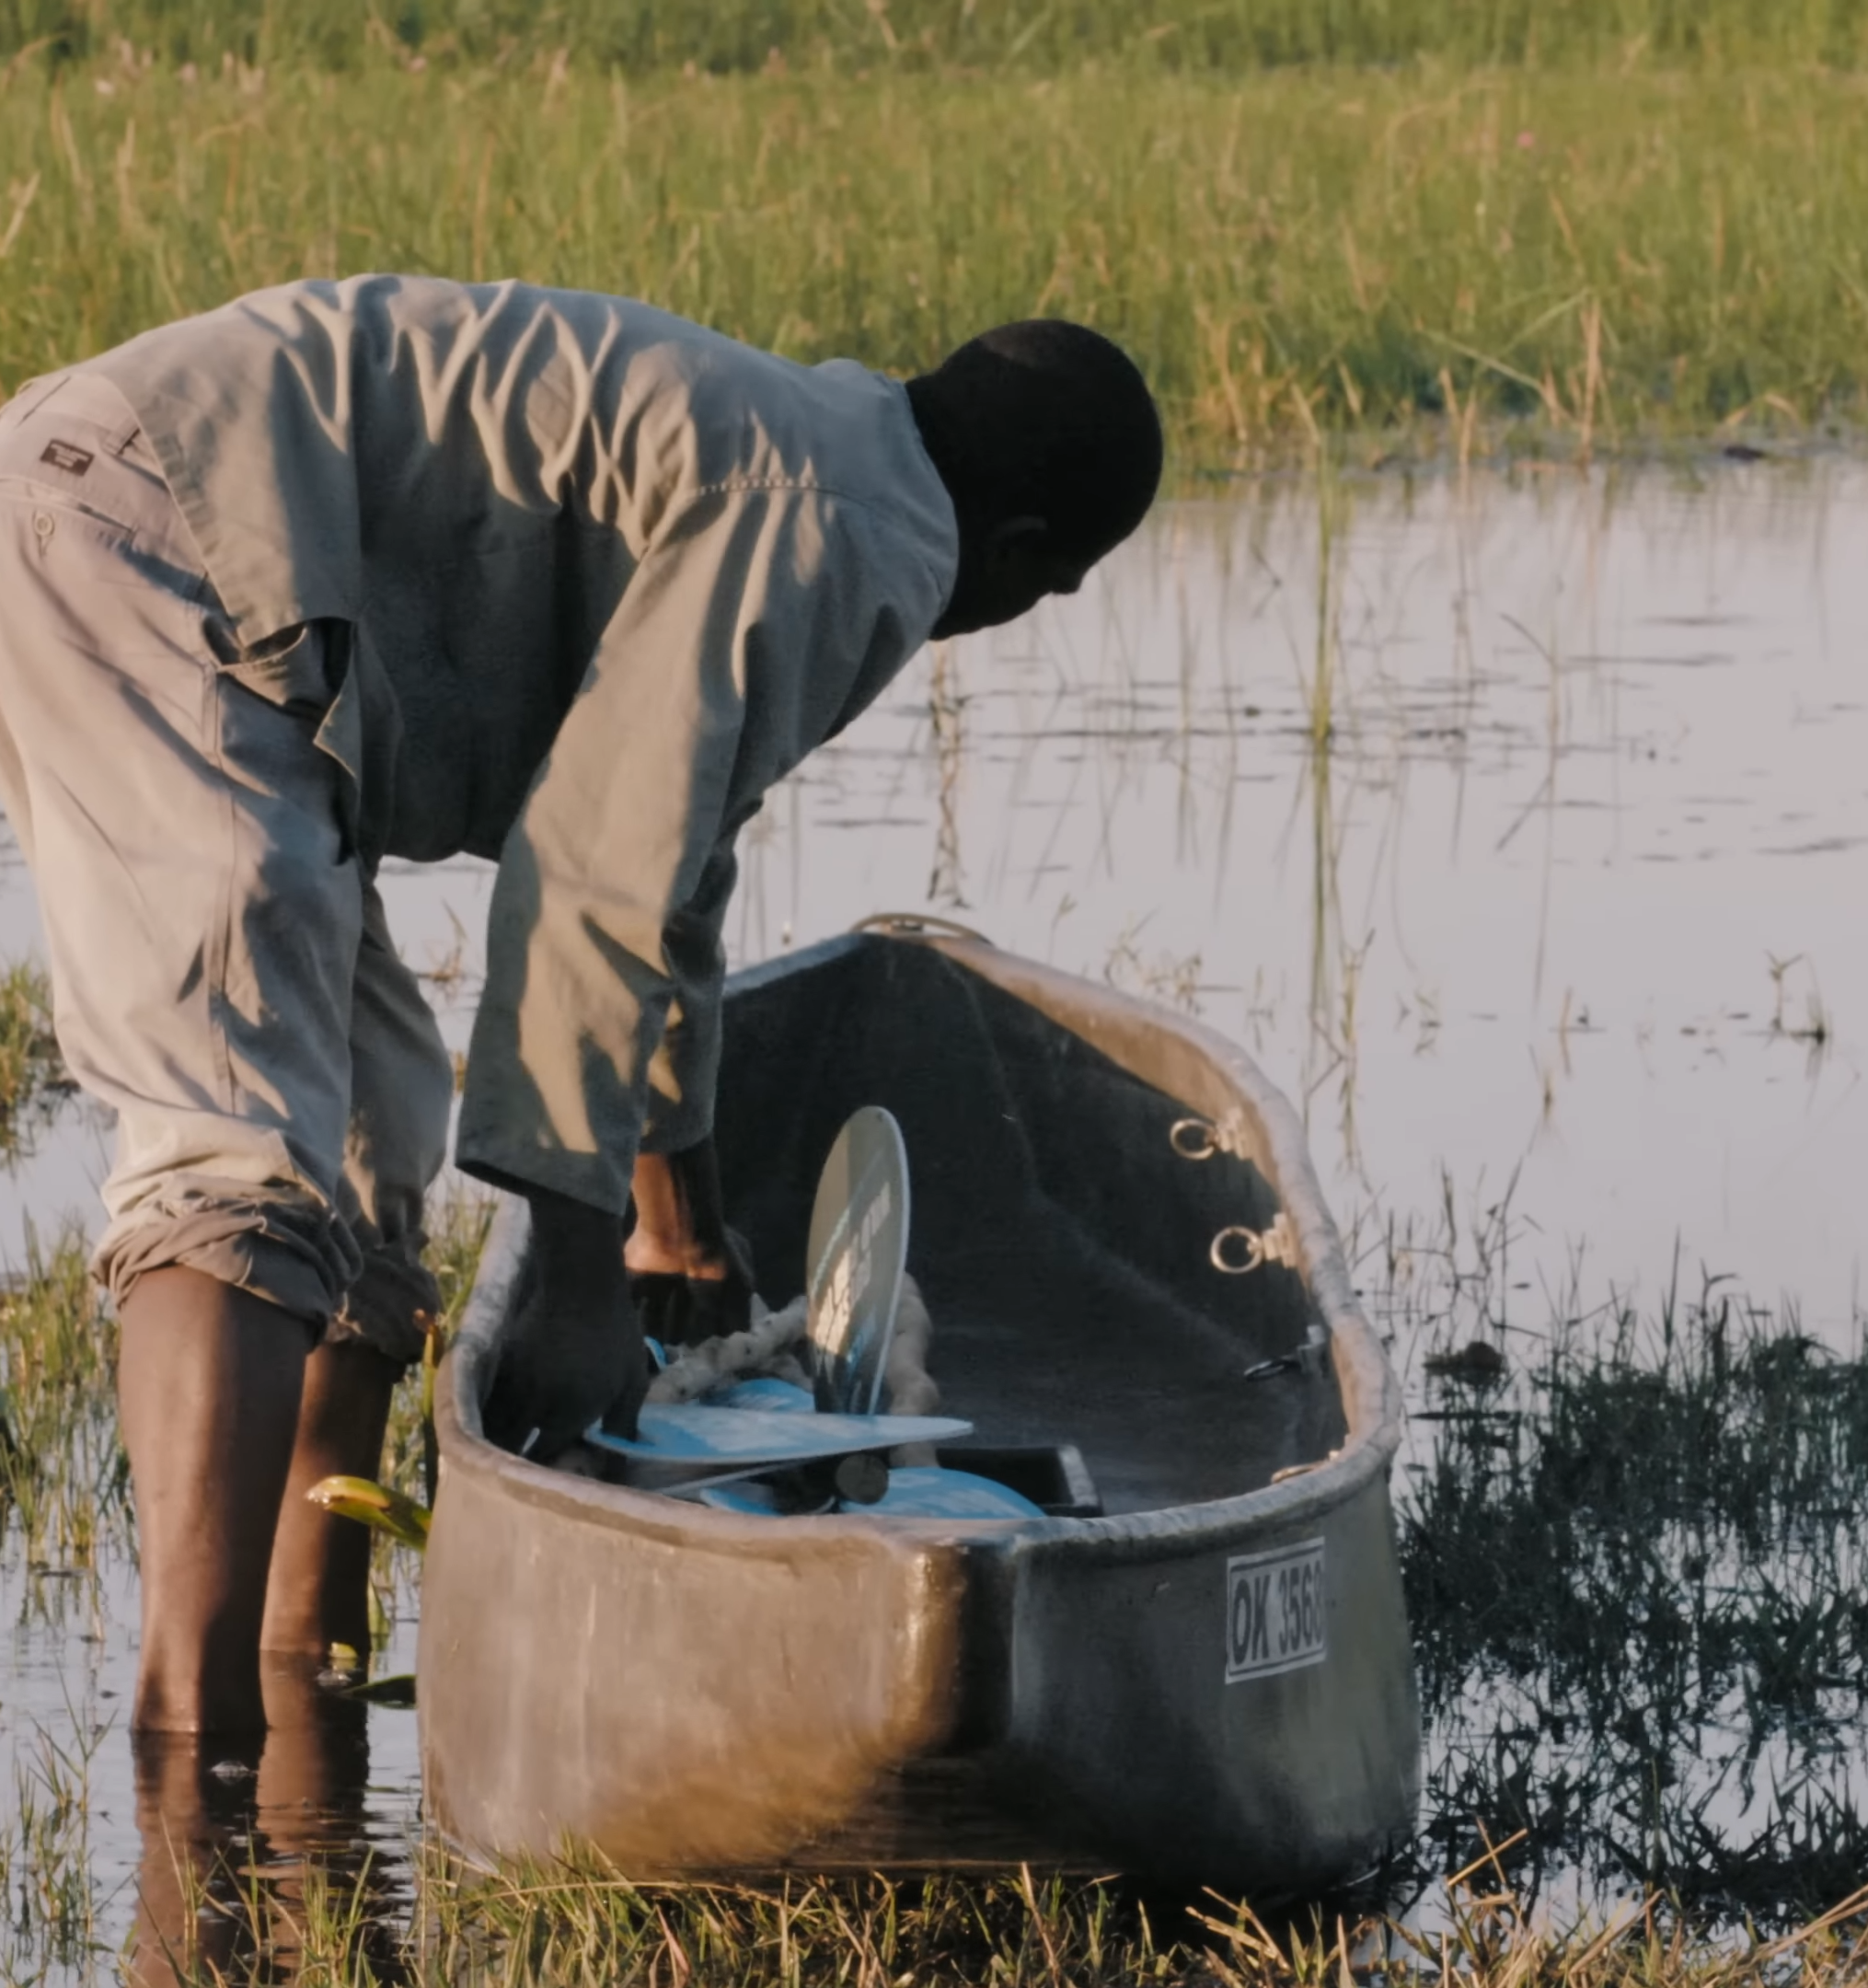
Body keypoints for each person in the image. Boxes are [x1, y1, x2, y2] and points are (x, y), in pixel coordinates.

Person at [0, 275, 1163, 1737]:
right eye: (1039, 598)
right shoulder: (858, 529)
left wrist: (678, 1216)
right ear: (1026, 553)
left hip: (168, 524)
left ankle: (309, 1680)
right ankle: (195, 1744)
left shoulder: (834, 462)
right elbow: (597, 866)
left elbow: (675, 862)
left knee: (369, 1140)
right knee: (232, 1141)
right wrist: (574, 1261)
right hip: (160, 526)